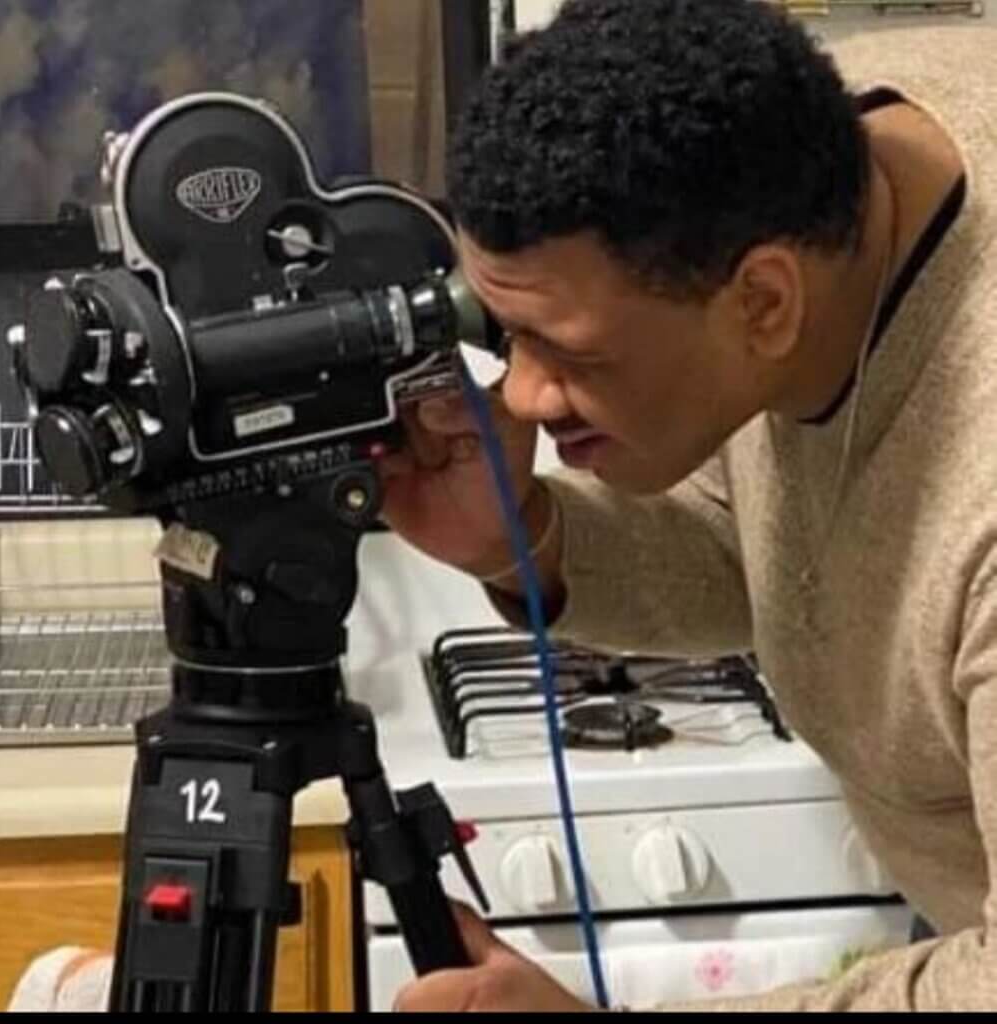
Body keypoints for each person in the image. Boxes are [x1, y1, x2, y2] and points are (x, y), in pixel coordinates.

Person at [378, 0, 997, 1012]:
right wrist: (526, 541)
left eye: (571, 353)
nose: (522, 395)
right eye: (508, 330)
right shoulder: (791, 152)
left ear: (764, 301)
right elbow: (778, 540)